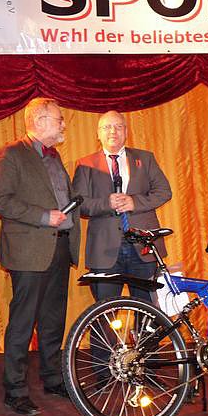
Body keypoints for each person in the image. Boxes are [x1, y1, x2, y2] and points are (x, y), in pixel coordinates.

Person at [0, 97, 80, 416]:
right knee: (23, 321)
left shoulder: (55, 156)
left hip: (59, 247)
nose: (64, 124)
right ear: (39, 121)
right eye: (59, 119)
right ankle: (15, 390)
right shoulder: (11, 154)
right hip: (29, 251)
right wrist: (44, 216)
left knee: (53, 320)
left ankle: (52, 379)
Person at [72, 110, 172, 303]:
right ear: (98, 133)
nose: (113, 131)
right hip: (104, 250)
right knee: (105, 311)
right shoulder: (85, 164)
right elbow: (78, 203)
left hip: (144, 247)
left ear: (126, 132)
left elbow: (164, 191)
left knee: (147, 310)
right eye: (107, 127)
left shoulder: (145, 158)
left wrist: (135, 202)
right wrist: (106, 203)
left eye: (118, 127)